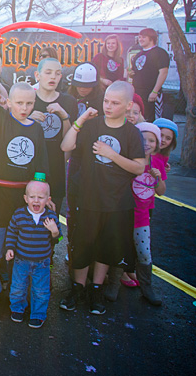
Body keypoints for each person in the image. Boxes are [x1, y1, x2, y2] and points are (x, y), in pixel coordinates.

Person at [0, 25, 49, 321]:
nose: (25, 108)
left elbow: (41, 168)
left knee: (22, 252)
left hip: (25, 200)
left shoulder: (38, 129)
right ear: (10, 101)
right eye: (20, 102)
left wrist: (43, 197)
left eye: (30, 103)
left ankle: (16, 293)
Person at [59, 81, 146, 315]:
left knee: (106, 248)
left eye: (115, 103)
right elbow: (65, 146)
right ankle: (78, 288)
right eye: (106, 100)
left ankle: (97, 288)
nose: (108, 106)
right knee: (83, 246)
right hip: (88, 199)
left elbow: (139, 168)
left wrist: (111, 154)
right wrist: (80, 121)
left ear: (128, 105)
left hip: (117, 204)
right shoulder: (92, 126)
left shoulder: (132, 133)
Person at [104, 122, 166, 306]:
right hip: (123, 216)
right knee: (120, 250)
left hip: (142, 219)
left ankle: (147, 288)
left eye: (151, 140)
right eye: (143, 139)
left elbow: (161, 191)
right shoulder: (128, 161)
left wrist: (158, 178)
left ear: (157, 143)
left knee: (144, 253)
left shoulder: (159, 164)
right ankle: (113, 285)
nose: (146, 143)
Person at [5, 180, 61, 328]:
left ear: (48, 200)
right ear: (25, 198)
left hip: (41, 262)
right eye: (32, 197)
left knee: (41, 290)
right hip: (21, 260)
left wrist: (54, 231)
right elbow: (11, 232)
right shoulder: (19, 215)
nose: (36, 200)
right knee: (18, 287)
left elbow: (59, 238)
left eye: (41, 198)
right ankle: (17, 309)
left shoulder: (51, 217)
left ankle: (38, 314)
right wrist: (10, 248)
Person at [30, 57, 78, 215]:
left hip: (56, 168)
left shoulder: (68, 101)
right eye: (48, 72)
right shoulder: (29, 100)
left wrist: (64, 116)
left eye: (57, 73)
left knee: (52, 220)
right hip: (30, 168)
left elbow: (69, 142)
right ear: (37, 75)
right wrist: (26, 118)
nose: (53, 77)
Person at [128, 28, 169, 121]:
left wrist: (155, 91)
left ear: (151, 38)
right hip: (138, 93)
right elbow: (135, 72)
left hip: (151, 93)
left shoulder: (160, 53)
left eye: (144, 37)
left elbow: (163, 73)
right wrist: (131, 74)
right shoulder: (138, 55)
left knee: (152, 120)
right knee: (139, 118)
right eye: (139, 37)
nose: (140, 39)